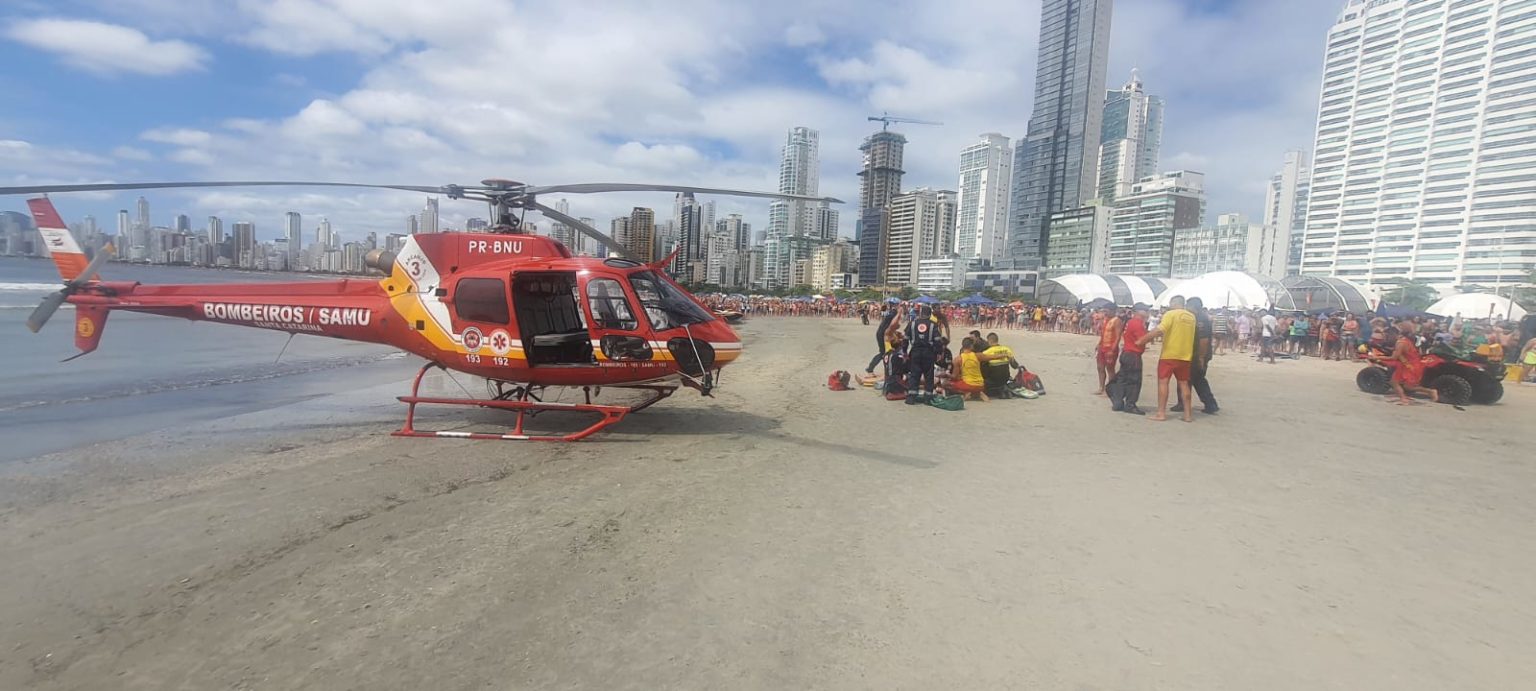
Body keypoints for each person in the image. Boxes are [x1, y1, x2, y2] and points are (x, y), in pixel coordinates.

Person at [1138, 295, 1197, 422]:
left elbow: (1160, 330)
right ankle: (1187, 414)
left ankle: (1161, 413)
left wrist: (1142, 340)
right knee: (1184, 384)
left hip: (1169, 355)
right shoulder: (1191, 317)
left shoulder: (1171, 314)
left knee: (1163, 382)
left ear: (1173, 303)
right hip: (1186, 355)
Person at [1172, 297, 1219, 415]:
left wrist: (1201, 358)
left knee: (1187, 379)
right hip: (1195, 354)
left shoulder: (1200, 319)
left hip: (1198, 355)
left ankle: (1185, 403)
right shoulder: (1198, 317)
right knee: (1197, 379)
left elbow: (1203, 340)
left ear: (1192, 307)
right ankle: (1210, 404)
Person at [1379, 320, 1438, 405]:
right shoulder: (1406, 340)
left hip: (1409, 366)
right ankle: (1430, 392)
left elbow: (1394, 357)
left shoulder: (1401, 342)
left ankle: (1403, 399)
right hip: (1412, 364)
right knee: (1408, 386)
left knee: (1394, 382)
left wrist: (1376, 357)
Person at [1106, 304, 1149, 415]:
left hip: (1127, 353)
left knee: (1123, 378)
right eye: (1146, 310)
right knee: (1134, 381)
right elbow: (1142, 340)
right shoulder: (1137, 323)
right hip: (1133, 354)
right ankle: (1130, 404)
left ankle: (1118, 400)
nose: (1148, 312)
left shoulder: (1131, 322)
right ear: (1139, 312)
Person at [905, 304, 941, 404]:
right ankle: (928, 398)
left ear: (920, 313)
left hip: (915, 351)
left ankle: (911, 397)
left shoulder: (912, 324)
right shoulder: (934, 325)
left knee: (914, 374)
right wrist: (939, 352)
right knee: (929, 375)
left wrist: (904, 351)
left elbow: (905, 339)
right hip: (929, 352)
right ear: (930, 314)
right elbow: (938, 340)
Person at [947, 337, 989, 402]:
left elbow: (954, 377)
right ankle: (978, 392)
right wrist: (1004, 354)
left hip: (968, 385)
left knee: (947, 384)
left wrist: (945, 374)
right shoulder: (977, 355)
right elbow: (993, 357)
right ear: (971, 346)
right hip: (981, 385)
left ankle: (966, 392)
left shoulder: (957, 359)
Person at [980, 332, 1018, 396]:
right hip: (1005, 378)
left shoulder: (987, 352)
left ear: (989, 341)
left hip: (993, 379)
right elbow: (1015, 366)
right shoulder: (1007, 349)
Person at [866, 303, 901, 374]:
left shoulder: (890, 315)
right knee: (884, 353)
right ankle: (871, 368)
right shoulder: (893, 316)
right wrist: (899, 314)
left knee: (885, 352)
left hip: (881, 333)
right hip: (882, 334)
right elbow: (894, 326)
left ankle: (871, 368)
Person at [1095, 307, 1121, 396]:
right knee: (1100, 367)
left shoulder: (1116, 321)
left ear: (1113, 311)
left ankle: (1110, 390)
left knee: (1110, 369)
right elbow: (1103, 334)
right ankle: (1101, 387)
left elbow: (1118, 336)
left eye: (1107, 311)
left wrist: (1113, 349)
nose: (1106, 313)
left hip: (1110, 348)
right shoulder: (1105, 320)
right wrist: (1099, 344)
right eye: (1105, 311)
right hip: (1102, 347)